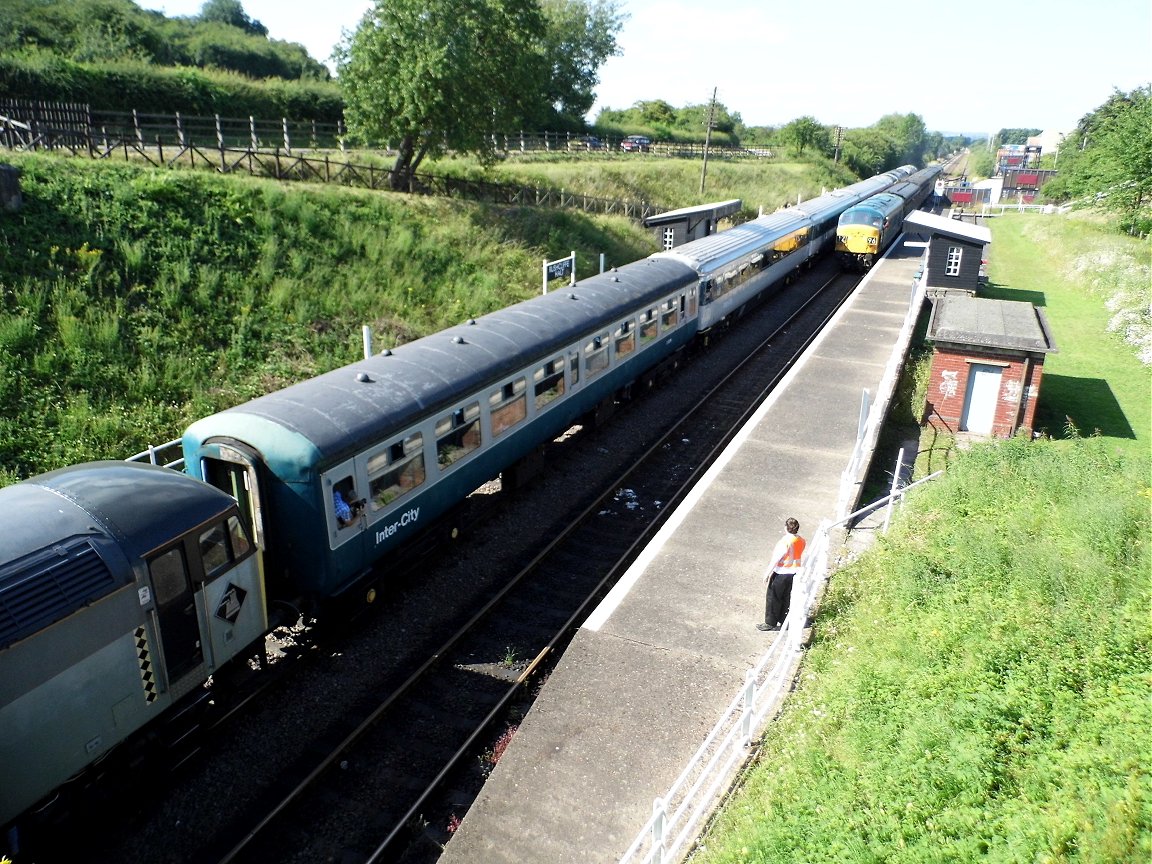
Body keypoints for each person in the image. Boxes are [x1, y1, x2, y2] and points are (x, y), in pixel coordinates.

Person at [757, 517, 805, 632]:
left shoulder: (784, 542)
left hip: (781, 573)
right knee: (786, 598)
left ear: (785, 528)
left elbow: (775, 559)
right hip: (794, 573)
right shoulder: (801, 540)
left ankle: (770, 622)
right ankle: (784, 620)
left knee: (773, 598)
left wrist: (767, 573)